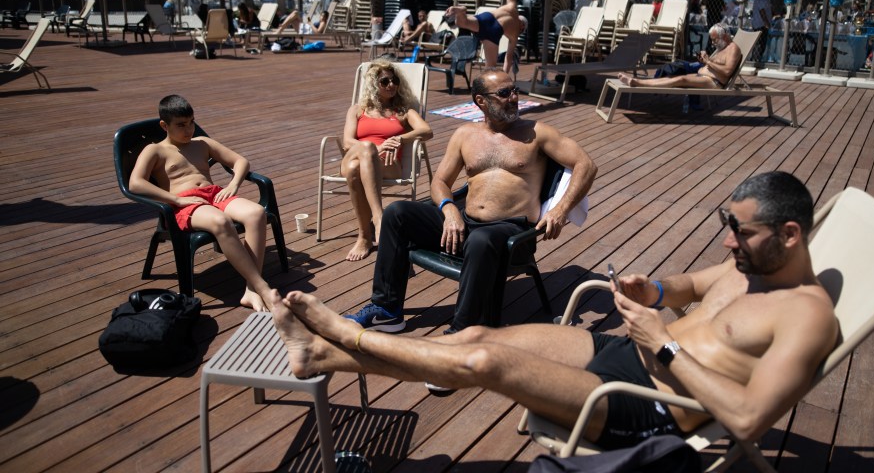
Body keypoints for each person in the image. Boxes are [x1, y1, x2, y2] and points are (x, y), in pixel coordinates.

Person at [271, 171, 838, 449]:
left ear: (790, 235)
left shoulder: (808, 317)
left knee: (486, 365)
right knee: (476, 336)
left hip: (650, 406)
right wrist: (655, 291)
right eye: (726, 227)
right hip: (630, 353)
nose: (728, 243)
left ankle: (343, 340)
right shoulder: (747, 269)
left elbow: (746, 419)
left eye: (741, 232)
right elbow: (690, 284)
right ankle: (320, 353)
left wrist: (663, 341)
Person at [344, 69, 596, 333]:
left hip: (511, 235)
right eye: (503, 93)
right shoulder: (465, 134)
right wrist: (449, 208)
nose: (513, 98)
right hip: (464, 225)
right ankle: (386, 311)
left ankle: (462, 333)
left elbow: (586, 165)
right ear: (481, 101)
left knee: (480, 240)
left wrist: (559, 210)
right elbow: (440, 182)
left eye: (514, 91)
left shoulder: (537, 133)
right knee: (397, 213)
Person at [128, 95, 274, 311]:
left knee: (256, 213)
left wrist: (233, 184)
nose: (188, 130)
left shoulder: (202, 143)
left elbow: (240, 161)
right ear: (164, 125)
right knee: (221, 221)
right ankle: (262, 287)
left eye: (191, 122)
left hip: (214, 195)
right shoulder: (155, 150)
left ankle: (251, 290)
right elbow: (135, 183)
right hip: (185, 204)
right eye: (180, 125)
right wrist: (176, 198)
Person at [339, 60, 433, 263]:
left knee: (356, 168)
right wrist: (375, 148)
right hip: (355, 156)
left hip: (388, 166)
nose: (391, 85)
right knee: (365, 148)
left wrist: (401, 139)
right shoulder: (357, 110)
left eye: (394, 80)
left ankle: (364, 237)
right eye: (385, 81)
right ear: (374, 84)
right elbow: (347, 142)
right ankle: (378, 218)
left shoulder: (403, 111)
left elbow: (427, 131)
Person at [446, 0, 528, 76]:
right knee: (490, 69)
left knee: (462, 23)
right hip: (493, 32)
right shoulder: (514, 36)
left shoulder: (512, 7)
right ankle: (491, 85)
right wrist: (504, 75)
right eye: (522, 30)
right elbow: (508, 59)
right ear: (522, 26)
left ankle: (461, 11)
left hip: (487, 17)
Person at [617, 23, 741, 90]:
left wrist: (708, 61)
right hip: (703, 75)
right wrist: (705, 59)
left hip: (714, 82)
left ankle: (637, 83)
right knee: (672, 77)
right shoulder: (722, 47)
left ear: (724, 36)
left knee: (680, 80)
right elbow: (716, 64)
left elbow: (727, 71)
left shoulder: (733, 49)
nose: (713, 43)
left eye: (715, 40)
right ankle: (640, 81)